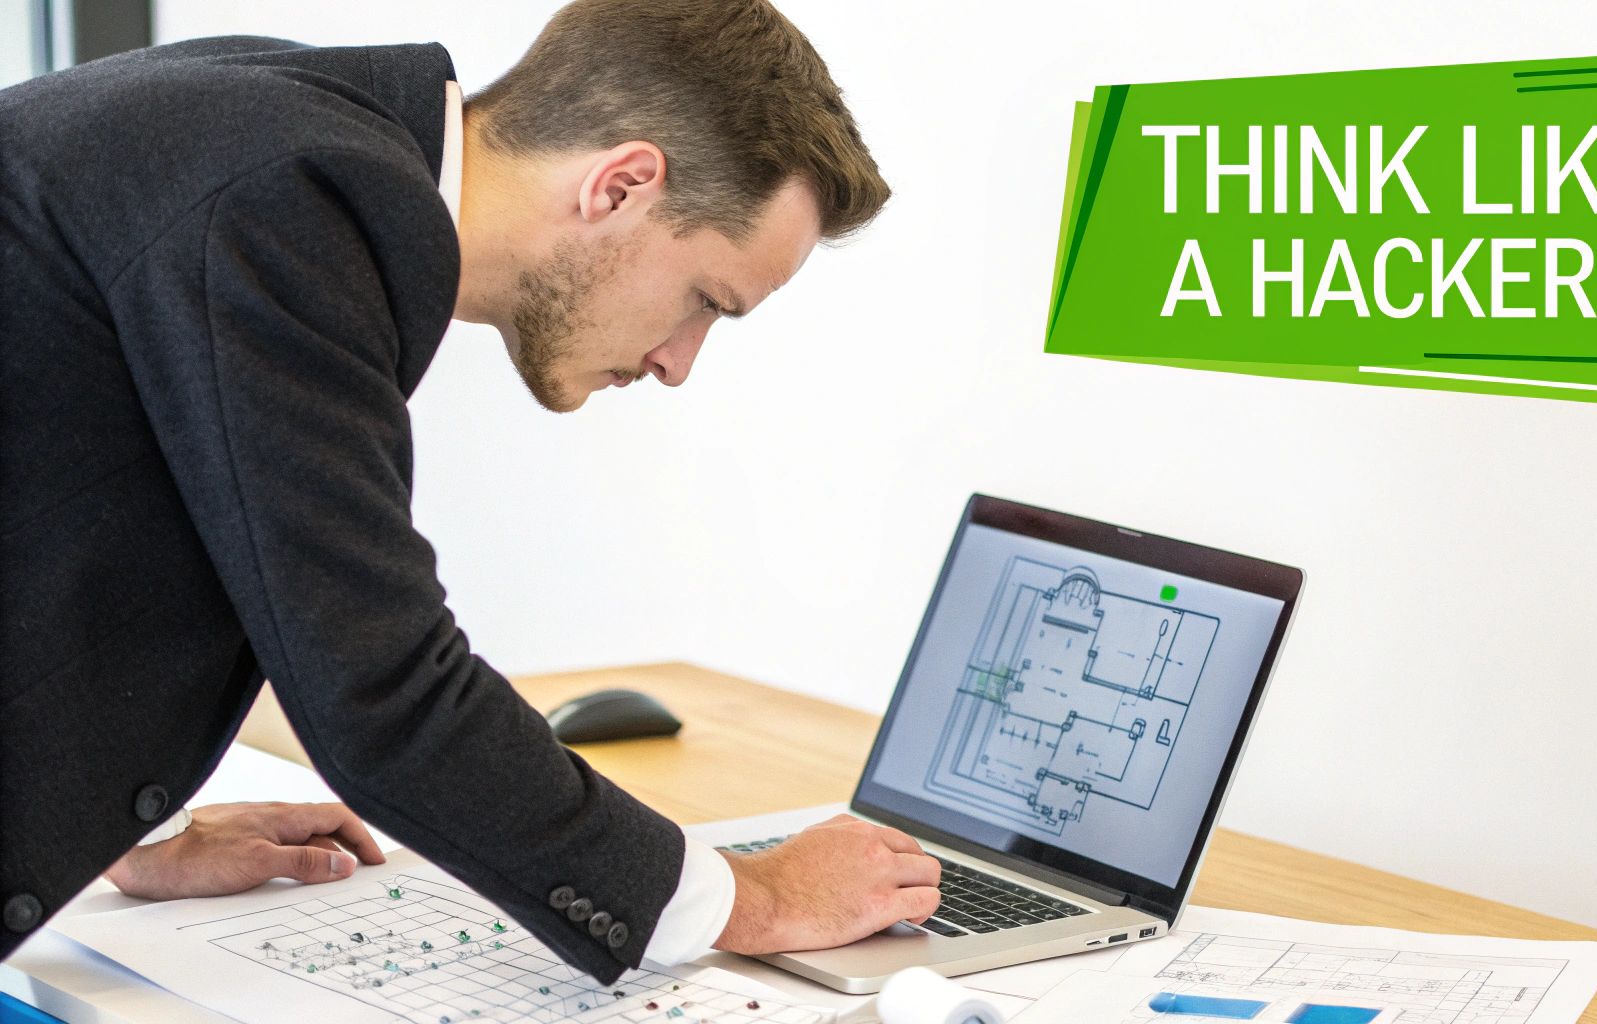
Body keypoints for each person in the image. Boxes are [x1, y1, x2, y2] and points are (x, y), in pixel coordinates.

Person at [0, 0, 941, 980]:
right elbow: (380, 692)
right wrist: (755, 897)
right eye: (706, 298)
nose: (678, 363)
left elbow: (81, 500)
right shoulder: (286, 197)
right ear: (620, 185)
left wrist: (122, 820)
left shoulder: (263, 121)